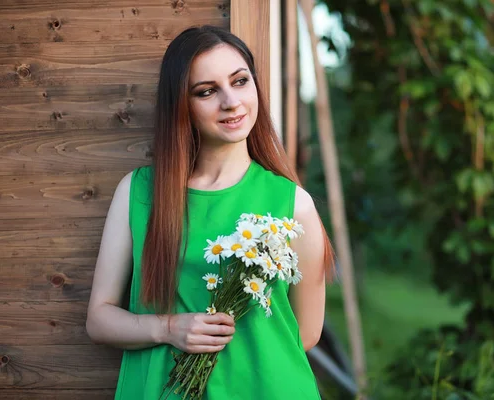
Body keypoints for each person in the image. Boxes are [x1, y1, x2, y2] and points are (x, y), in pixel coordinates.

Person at [85, 25, 335, 399]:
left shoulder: (293, 204)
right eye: (207, 91)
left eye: (240, 81)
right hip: (162, 389)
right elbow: (99, 320)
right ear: (182, 104)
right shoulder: (138, 193)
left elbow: (307, 334)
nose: (231, 102)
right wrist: (169, 328)